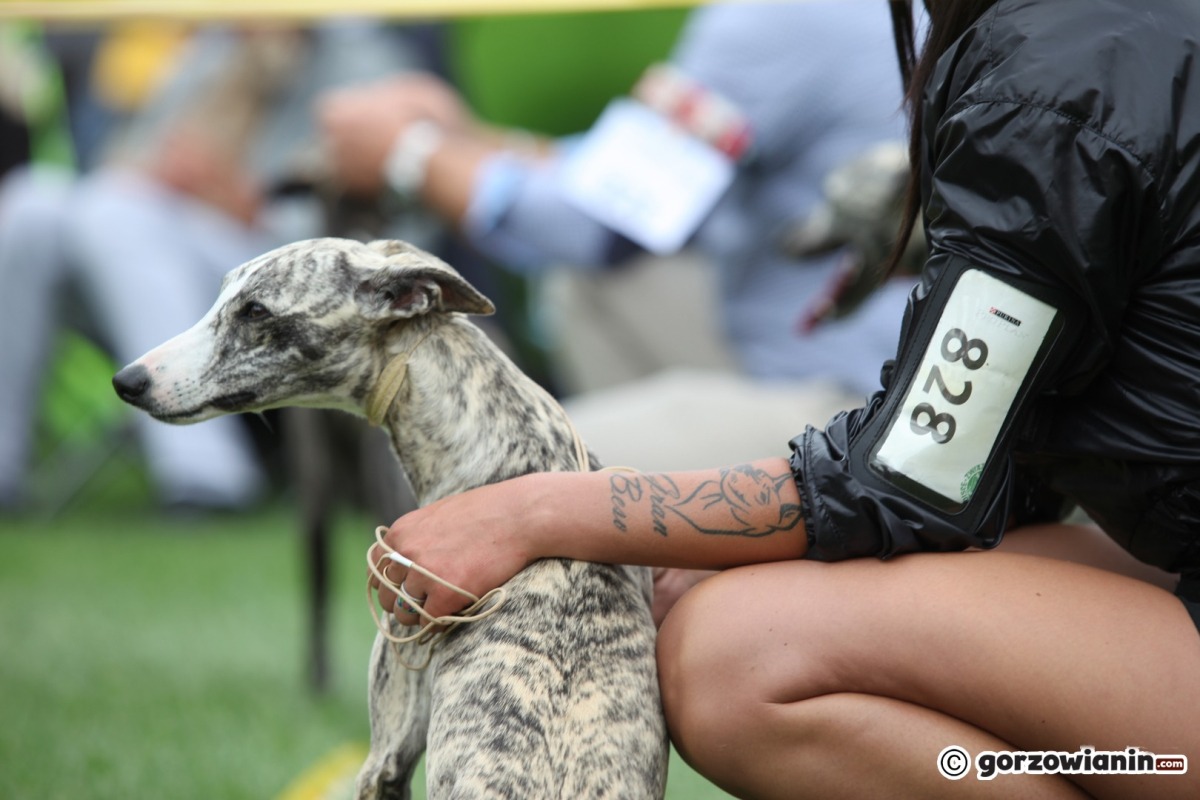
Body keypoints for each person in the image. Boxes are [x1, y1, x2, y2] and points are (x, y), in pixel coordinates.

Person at [368, 0, 1200, 797]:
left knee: (734, 653)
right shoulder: (1102, 33)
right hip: (993, 475)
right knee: (718, 583)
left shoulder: (1049, 77)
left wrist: (407, 152)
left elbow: (912, 476)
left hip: (847, 408)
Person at [319, 1, 919, 472]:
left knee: (497, 468)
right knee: (592, 281)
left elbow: (604, 221)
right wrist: (464, 141)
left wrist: (408, 154)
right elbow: (625, 186)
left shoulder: (787, 14)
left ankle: (660, 539)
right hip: (917, 376)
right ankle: (665, 541)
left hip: (861, 412)